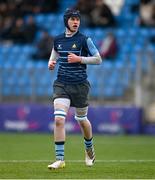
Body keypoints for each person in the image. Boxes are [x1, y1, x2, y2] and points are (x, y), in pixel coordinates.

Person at [47, 9, 102, 169]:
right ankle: (60, 159)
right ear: (66, 21)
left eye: (77, 19)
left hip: (80, 85)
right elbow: (54, 54)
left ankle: (89, 150)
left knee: (82, 121)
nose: (76, 22)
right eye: (72, 19)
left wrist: (80, 59)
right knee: (58, 119)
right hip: (62, 84)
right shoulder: (57, 39)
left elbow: (98, 59)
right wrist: (50, 63)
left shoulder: (85, 40)